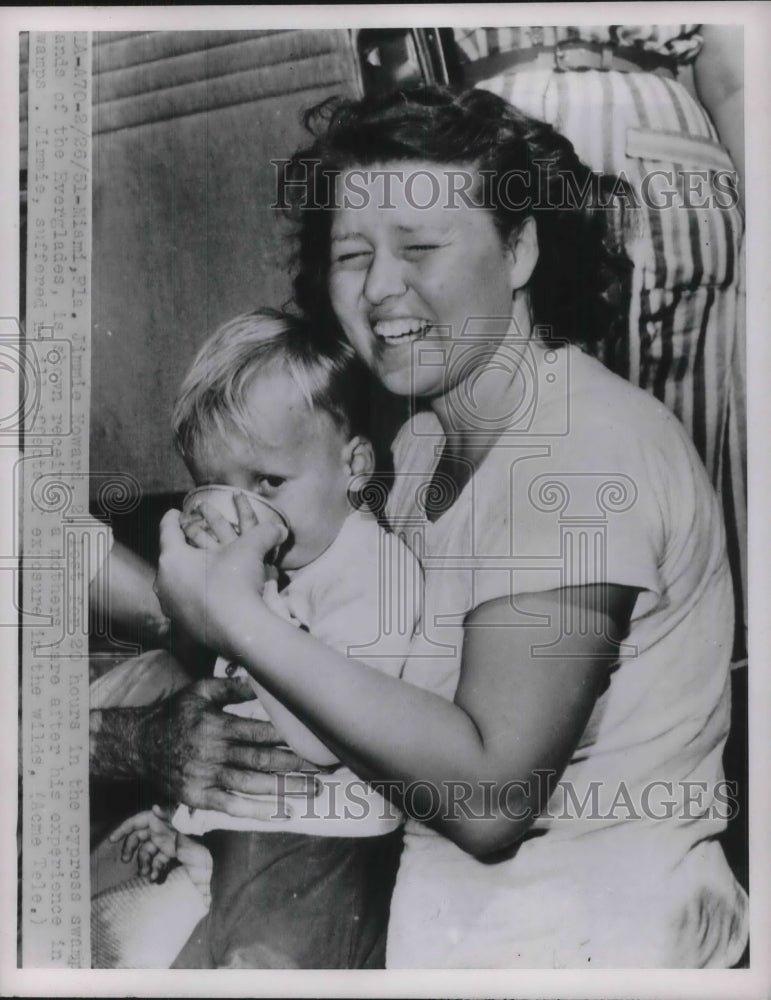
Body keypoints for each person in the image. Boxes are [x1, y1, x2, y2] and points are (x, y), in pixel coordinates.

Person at [151, 86, 749, 968]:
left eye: (420, 247)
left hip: (603, 948)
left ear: (518, 248)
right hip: (456, 930)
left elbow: (488, 800)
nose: (380, 286)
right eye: (351, 252)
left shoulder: (581, 452)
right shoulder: (428, 444)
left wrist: (234, 617)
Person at [94, 308, 421, 968]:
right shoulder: (268, 576)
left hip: (321, 848)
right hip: (239, 840)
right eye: (217, 489)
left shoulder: (371, 572)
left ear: (353, 464)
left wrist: (244, 609)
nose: (245, 515)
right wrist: (177, 821)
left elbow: (316, 739)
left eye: (268, 482)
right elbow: (233, 711)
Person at [451, 24, 747, 667]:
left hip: (630, 143)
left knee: (656, 458)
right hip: (622, 137)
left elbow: (736, 73)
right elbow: (734, 77)